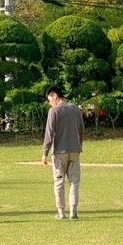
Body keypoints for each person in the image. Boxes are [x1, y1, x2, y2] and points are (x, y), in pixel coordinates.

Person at [41, 85, 84, 220]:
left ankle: (61, 212)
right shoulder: (75, 109)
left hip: (59, 151)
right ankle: (73, 211)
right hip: (74, 150)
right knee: (74, 181)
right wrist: (78, 145)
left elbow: (49, 133)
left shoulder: (54, 111)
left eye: (49, 99)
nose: (49, 103)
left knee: (59, 181)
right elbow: (81, 129)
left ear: (55, 96)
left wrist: (44, 153)